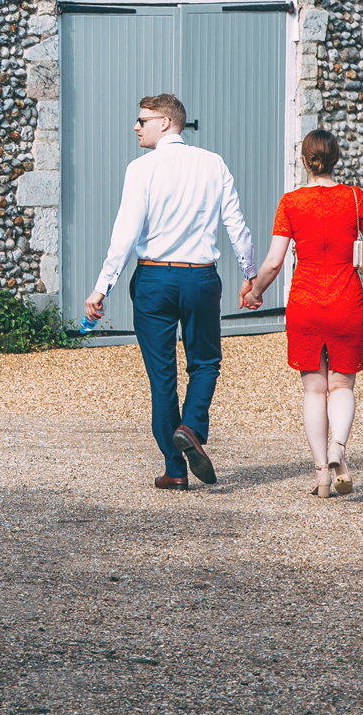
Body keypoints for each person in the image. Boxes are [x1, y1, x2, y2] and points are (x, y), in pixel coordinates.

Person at [83, 94, 254, 492]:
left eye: (142, 120)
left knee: (162, 378)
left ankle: (175, 469)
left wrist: (101, 287)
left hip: (154, 280)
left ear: (164, 122)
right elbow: (236, 225)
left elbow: (125, 233)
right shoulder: (213, 164)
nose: (136, 127)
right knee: (205, 362)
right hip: (199, 278)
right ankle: (191, 426)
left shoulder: (141, 169)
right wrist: (251, 276)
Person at [240, 129, 363, 499]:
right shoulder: (355, 199)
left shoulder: (291, 202)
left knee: (313, 389)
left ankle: (323, 472)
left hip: (305, 304)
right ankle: (339, 446)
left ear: (304, 161)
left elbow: (274, 263)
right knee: (341, 385)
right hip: (346, 303)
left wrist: (254, 292)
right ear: (336, 158)